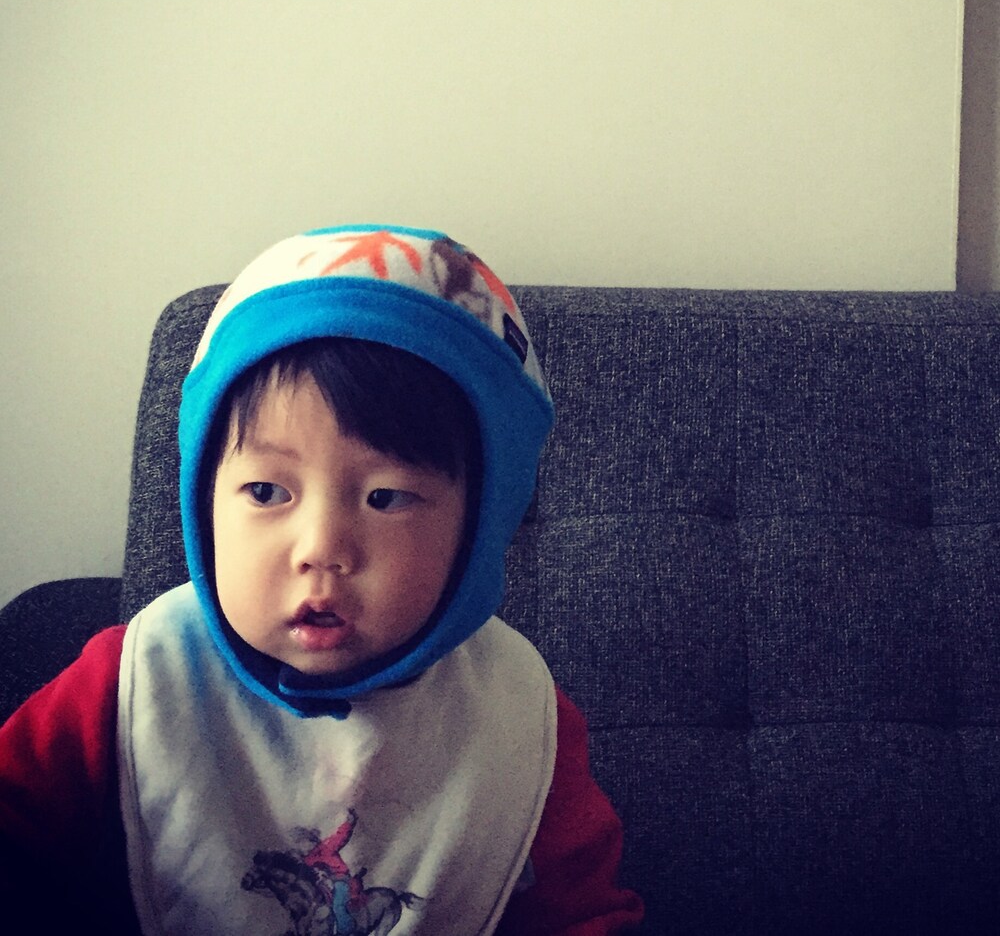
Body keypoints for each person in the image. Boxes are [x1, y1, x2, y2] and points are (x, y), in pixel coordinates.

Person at [0, 223, 644, 934]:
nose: (321, 550)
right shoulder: (129, 683)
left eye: (386, 498)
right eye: (266, 492)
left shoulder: (513, 713)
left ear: (483, 525)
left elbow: (585, 917)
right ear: (203, 501)